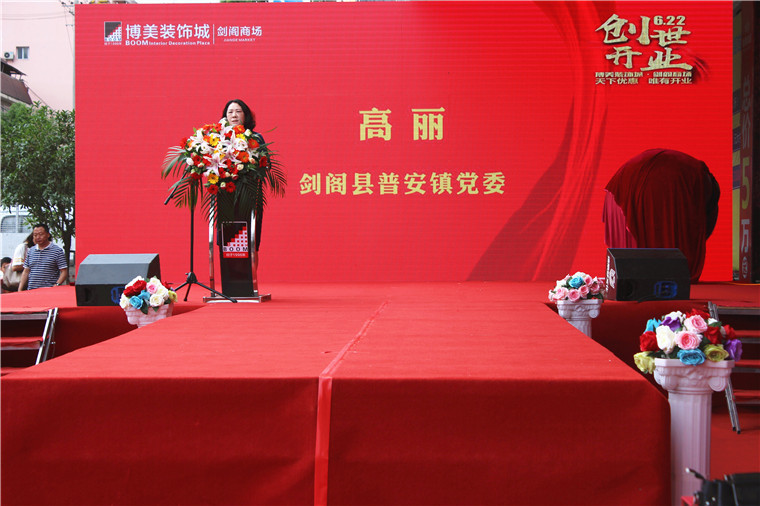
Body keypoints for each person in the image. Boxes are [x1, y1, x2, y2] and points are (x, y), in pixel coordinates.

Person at [18, 224, 68, 291]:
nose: (38, 237)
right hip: (31, 290)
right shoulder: (31, 251)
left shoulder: (57, 251)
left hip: (49, 291)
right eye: (35, 235)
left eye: (41, 234)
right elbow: (26, 271)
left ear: (48, 235)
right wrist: (20, 289)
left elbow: (64, 271)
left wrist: (57, 284)